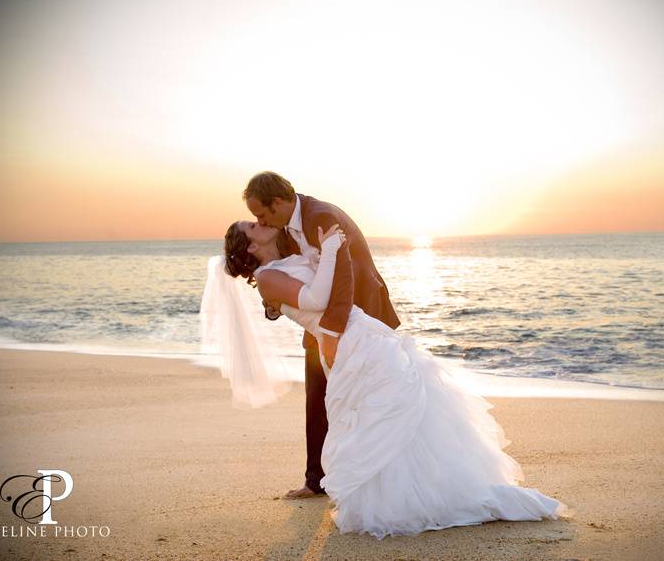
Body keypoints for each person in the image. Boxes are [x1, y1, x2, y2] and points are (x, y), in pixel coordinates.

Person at [218, 218, 574, 539]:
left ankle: (435, 489)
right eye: (253, 226)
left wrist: (326, 250)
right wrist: (328, 250)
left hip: (362, 334)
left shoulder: (287, 260)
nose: (261, 222)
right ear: (250, 246)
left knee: (402, 409)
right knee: (381, 414)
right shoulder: (267, 278)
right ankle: (404, 500)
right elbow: (316, 297)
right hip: (350, 346)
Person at [242, 172, 400, 499]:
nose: (259, 221)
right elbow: (284, 277)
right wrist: (275, 303)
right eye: (256, 218)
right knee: (318, 396)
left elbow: (344, 278)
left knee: (373, 398)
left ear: (280, 202)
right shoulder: (282, 231)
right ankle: (316, 480)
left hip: (360, 313)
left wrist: (331, 332)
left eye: (262, 214)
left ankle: (377, 475)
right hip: (321, 322)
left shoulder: (321, 217)